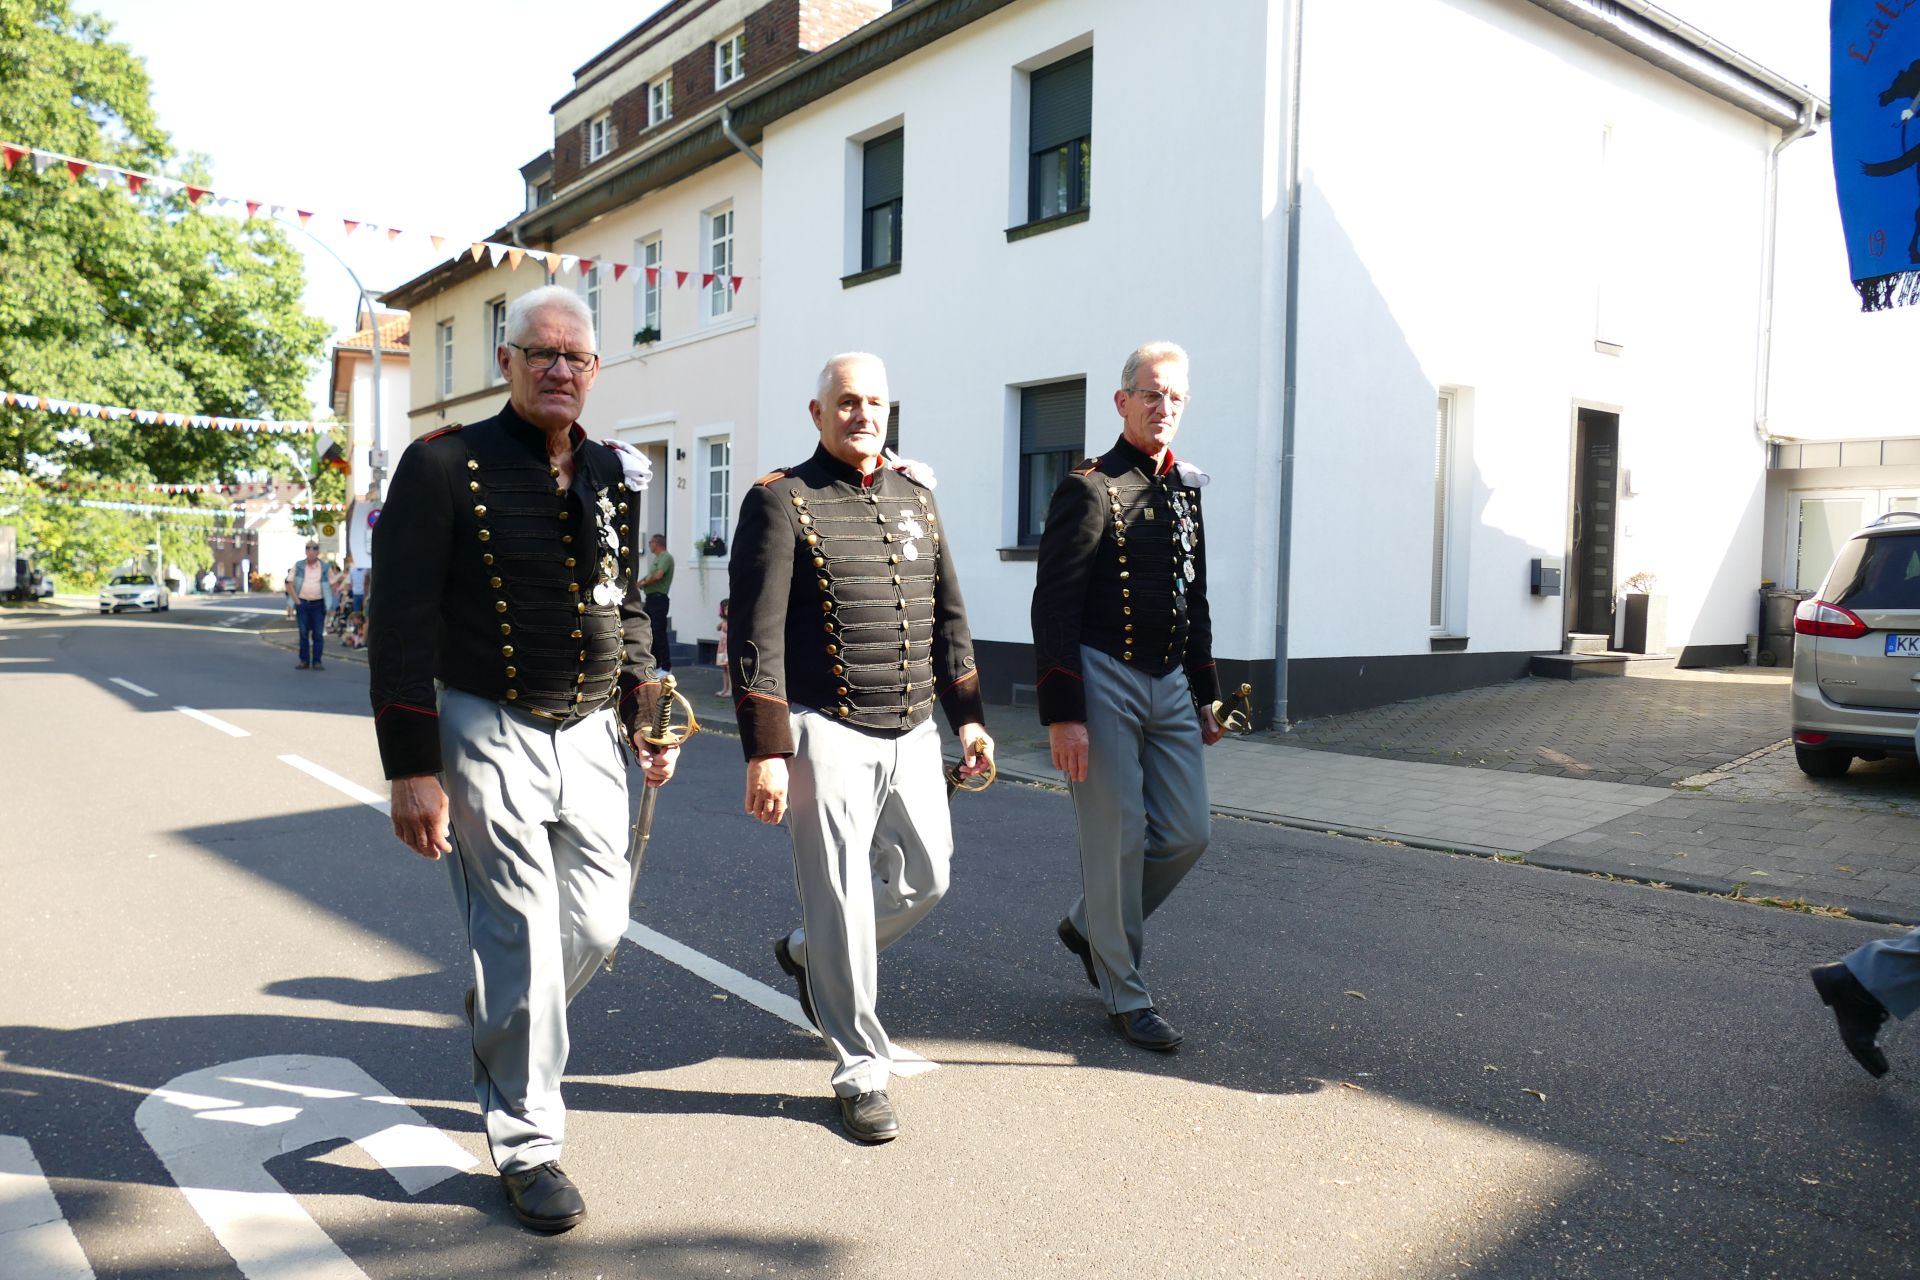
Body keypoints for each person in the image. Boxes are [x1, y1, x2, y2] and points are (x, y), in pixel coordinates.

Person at [369, 284, 679, 1233]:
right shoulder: (441, 464)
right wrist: (411, 766)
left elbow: (625, 604)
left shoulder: (612, 471)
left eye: (575, 357)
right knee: (523, 940)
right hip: (485, 725)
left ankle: (506, 1009)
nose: (559, 370)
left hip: (590, 731)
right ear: (507, 362)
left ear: (595, 369)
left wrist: (646, 704)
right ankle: (529, 1144)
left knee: (599, 924)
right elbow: (400, 619)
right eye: (541, 353)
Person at [730, 352, 993, 1143]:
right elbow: (756, 634)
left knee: (927, 878)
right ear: (818, 413)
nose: (863, 414)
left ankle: (808, 952)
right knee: (841, 899)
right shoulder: (781, 500)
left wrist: (969, 718)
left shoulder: (918, 497)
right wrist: (766, 749)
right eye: (846, 402)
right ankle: (859, 1071)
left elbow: (948, 614)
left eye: (875, 402)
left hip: (913, 727)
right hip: (825, 726)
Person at [1030, 341, 1225, 1053]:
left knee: (1187, 832)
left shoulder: (1185, 487)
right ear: (1122, 401)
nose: (1163, 406)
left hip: (1169, 678)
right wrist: (1064, 714)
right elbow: (1053, 605)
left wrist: (1205, 693)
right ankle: (1126, 992)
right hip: (1102, 674)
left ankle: (1089, 926)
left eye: (1174, 396)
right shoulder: (1089, 486)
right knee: (1119, 839)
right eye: (1151, 393)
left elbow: (1193, 596)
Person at [285, 540, 335, 670]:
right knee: (303, 633)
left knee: (318, 634)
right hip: (303, 603)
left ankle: (317, 661)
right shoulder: (299, 565)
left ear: (318, 552)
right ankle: (304, 660)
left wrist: (328, 595)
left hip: (318, 603)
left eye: (314, 549)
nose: (311, 551)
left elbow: (334, 581)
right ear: (305, 551)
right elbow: (289, 583)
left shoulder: (324, 567)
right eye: (308, 549)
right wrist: (296, 601)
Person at [640, 533, 674, 670]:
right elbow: (651, 575)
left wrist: (644, 584)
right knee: (651, 632)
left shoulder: (665, 557)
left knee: (659, 633)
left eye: (651, 542)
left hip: (659, 599)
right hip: (651, 599)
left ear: (657, 543)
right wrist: (640, 582)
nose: (649, 545)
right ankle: (657, 664)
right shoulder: (658, 558)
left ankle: (666, 667)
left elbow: (658, 575)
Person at [716, 598, 731, 698]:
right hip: (722, 647)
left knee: (729, 668)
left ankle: (730, 689)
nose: (727, 611)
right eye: (725, 609)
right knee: (724, 668)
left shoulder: (732, 621)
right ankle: (724, 688)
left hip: (728, 647)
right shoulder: (724, 621)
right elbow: (718, 628)